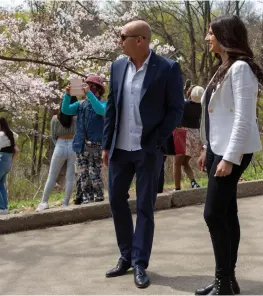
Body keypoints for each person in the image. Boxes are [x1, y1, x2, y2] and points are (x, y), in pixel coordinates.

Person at [102, 20, 184, 288]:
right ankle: (125, 255)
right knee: (116, 200)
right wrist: (106, 145)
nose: (119, 40)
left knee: (145, 207)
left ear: (140, 40)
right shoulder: (117, 67)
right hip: (119, 149)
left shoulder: (167, 68)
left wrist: (156, 140)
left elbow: (175, 111)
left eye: (122, 36)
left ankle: (139, 262)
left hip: (148, 149)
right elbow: (111, 108)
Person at [195, 15, 262, 295]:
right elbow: (211, 113)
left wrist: (228, 157)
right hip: (216, 149)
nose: (207, 38)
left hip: (232, 151)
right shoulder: (222, 67)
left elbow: (244, 120)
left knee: (213, 214)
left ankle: (224, 280)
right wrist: (205, 148)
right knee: (227, 212)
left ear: (224, 36)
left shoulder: (241, 69)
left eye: (211, 33)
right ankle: (227, 280)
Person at [62, 75, 107, 204]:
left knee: (94, 172)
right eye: (86, 86)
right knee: (83, 173)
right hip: (80, 144)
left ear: (98, 89)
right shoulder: (81, 104)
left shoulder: (103, 103)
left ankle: (98, 195)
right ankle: (86, 197)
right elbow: (66, 110)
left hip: (96, 144)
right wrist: (67, 95)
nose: (88, 88)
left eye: (91, 86)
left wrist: (90, 95)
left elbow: (100, 110)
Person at [36, 101, 76, 211]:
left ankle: (44, 202)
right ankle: (65, 203)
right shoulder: (77, 118)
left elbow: (53, 136)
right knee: (70, 177)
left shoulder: (55, 118)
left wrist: (58, 144)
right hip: (73, 146)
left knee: (52, 176)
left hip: (60, 145)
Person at [173, 86, 204, 190]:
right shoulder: (202, 106)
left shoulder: (185, 104)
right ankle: (193, 182)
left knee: (177, 163)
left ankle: (177, 188)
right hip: (196, 135)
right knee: (184, 162)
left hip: (183, 134)